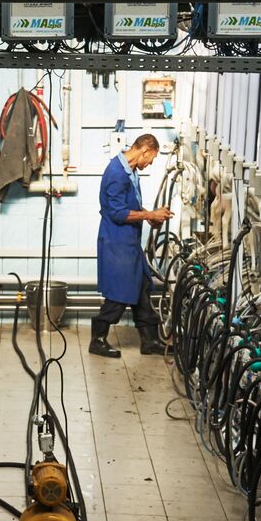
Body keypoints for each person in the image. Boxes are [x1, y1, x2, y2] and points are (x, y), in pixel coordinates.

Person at [91, 133, 172, 358]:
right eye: (152, 158)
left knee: (142, 286)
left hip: (129, 242)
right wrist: (149, 214)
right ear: (144, 151)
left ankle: (150, 340)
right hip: (117, 242)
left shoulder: (131, 171)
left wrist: (150, 217)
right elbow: (117, 213)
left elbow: (130, 205)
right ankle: (97, 339)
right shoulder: (117, 174)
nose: (150, 163)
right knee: (119, 294)